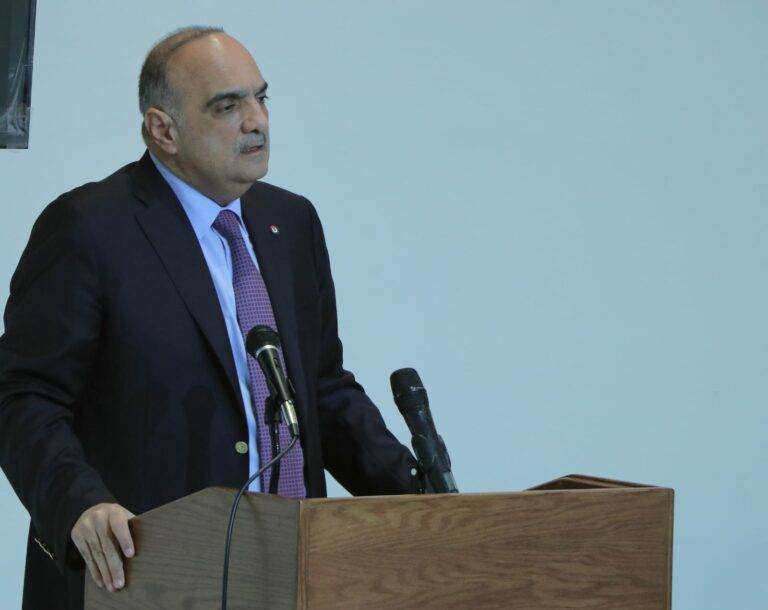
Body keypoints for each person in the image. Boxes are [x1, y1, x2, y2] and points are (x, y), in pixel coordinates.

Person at [0, 26, 417, 610]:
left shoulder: (291, 222)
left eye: (260, 98)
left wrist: (423, 497)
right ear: (163, 130)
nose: (257, 121)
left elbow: (319, 388)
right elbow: (23, 394)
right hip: (142, 575)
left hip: (289, 570)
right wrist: (79, 504)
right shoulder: (89, 229)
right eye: (227, 106)